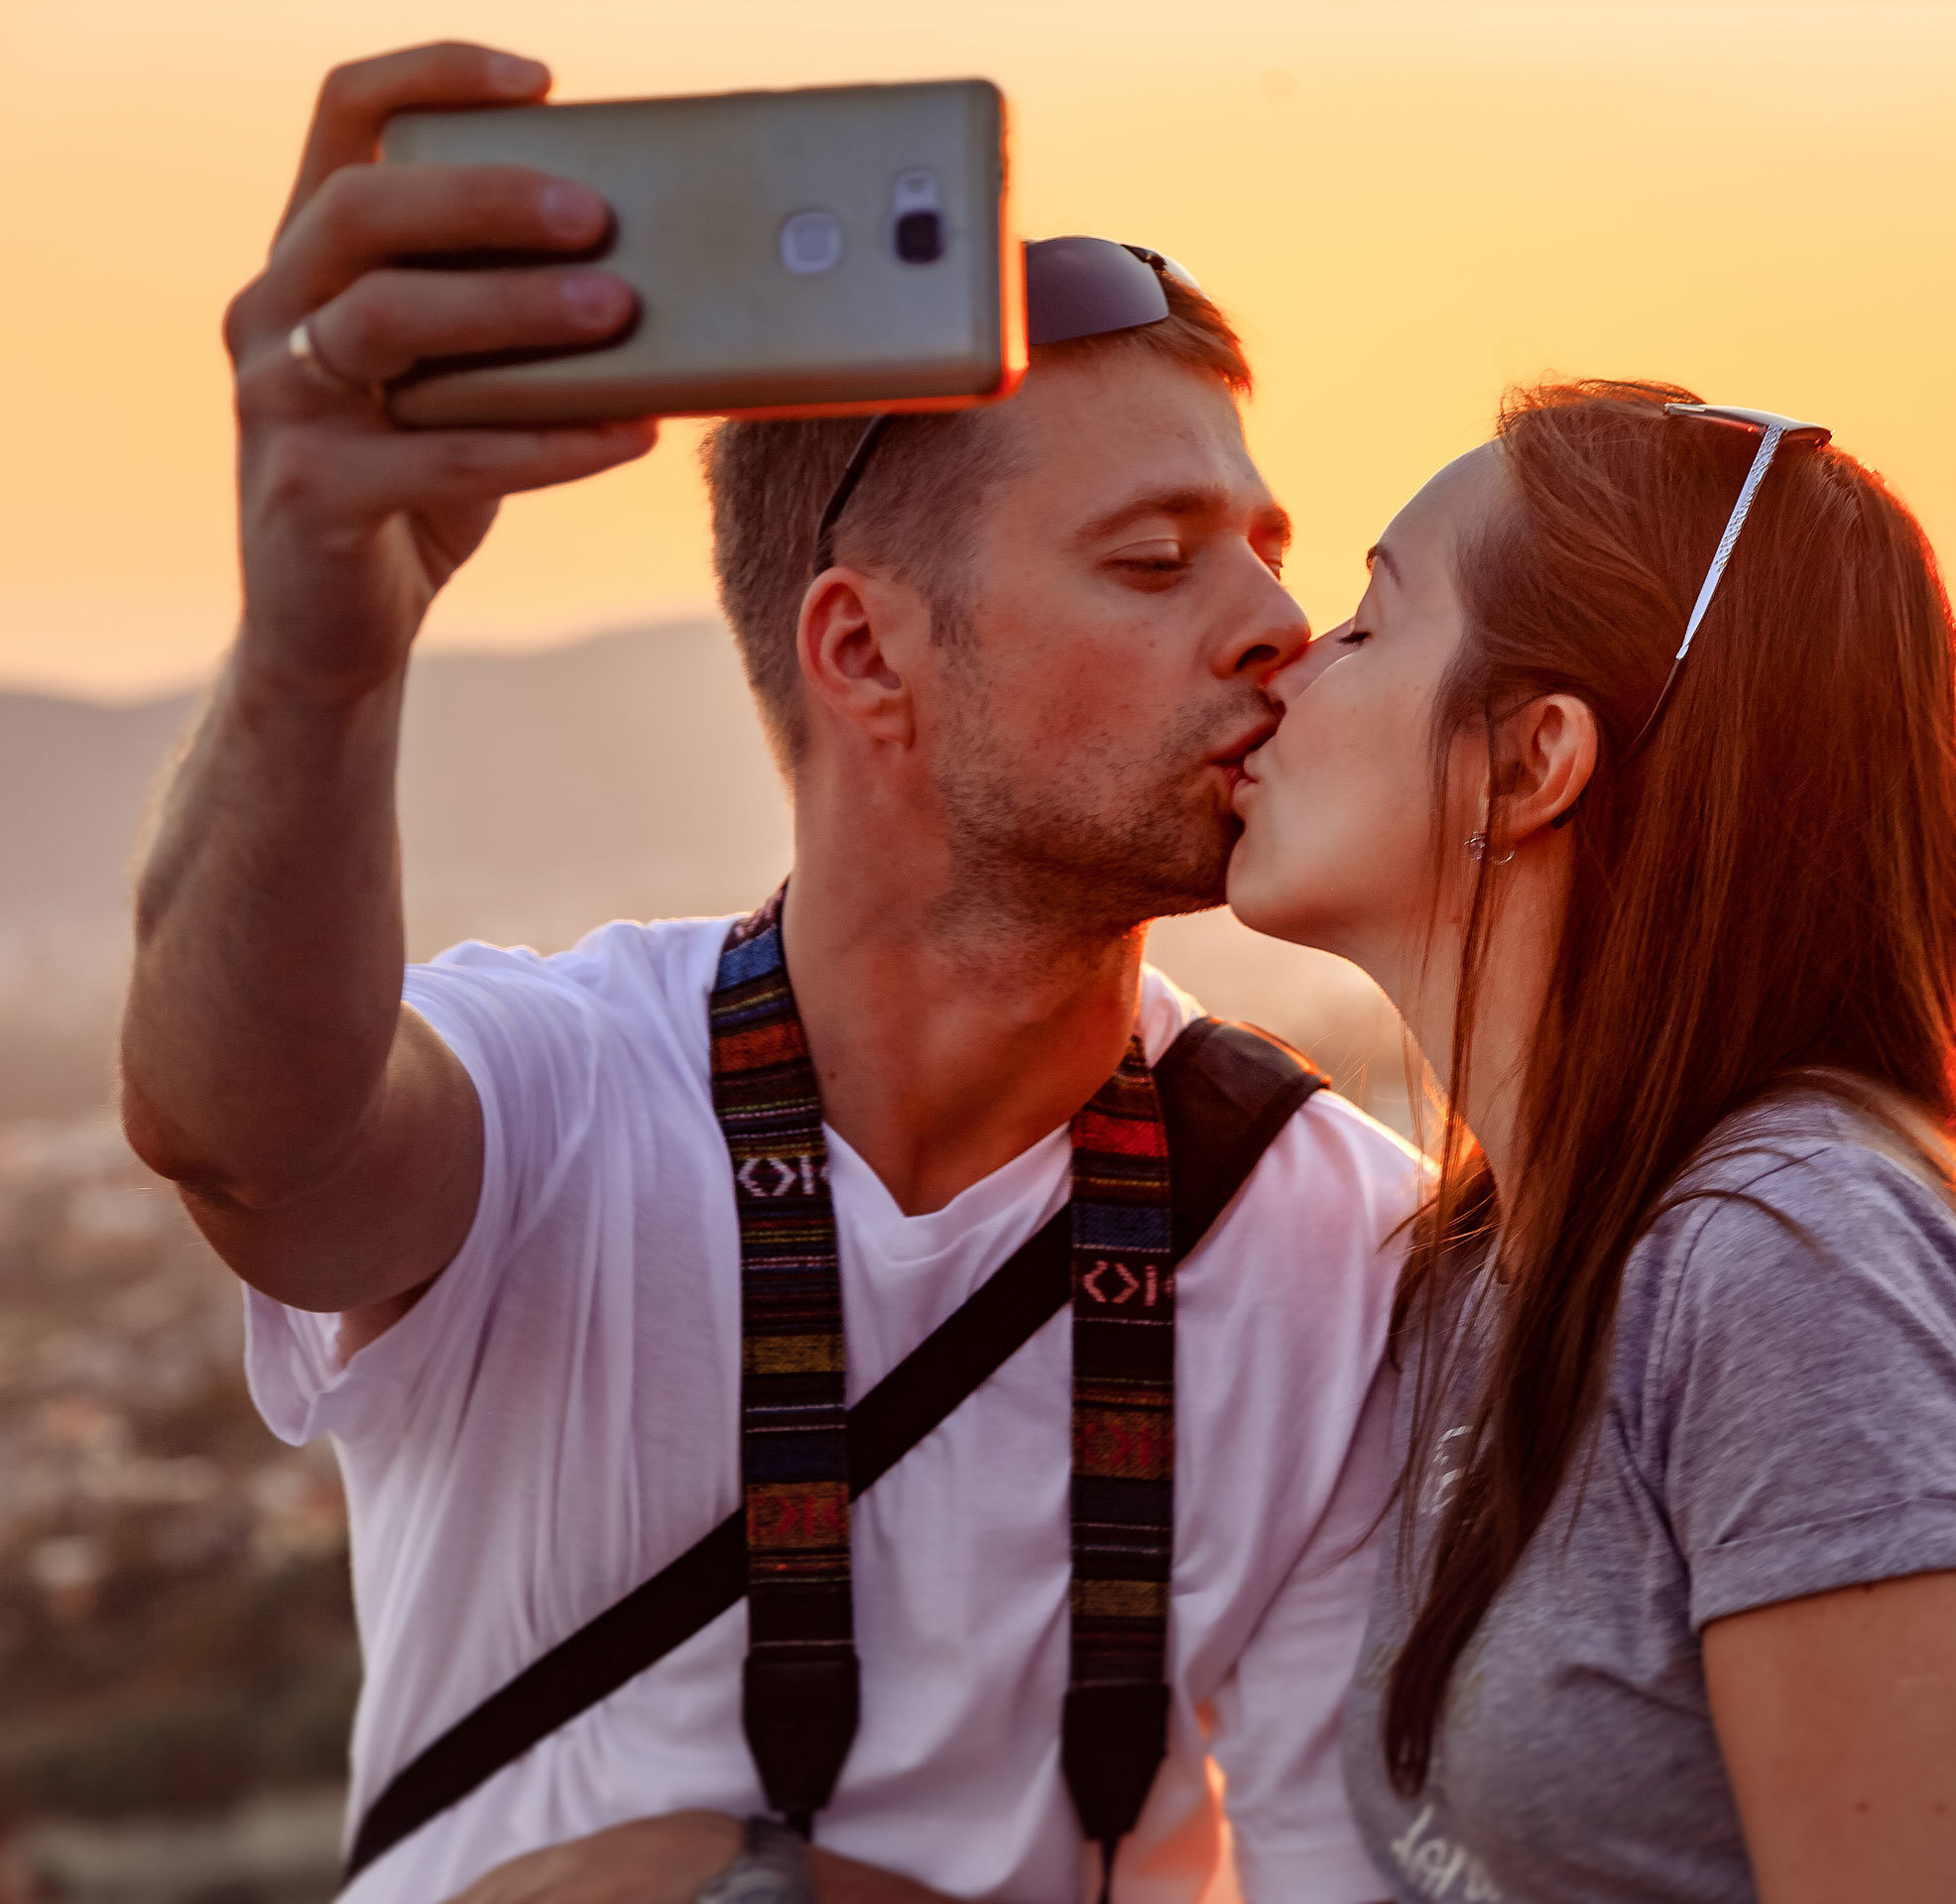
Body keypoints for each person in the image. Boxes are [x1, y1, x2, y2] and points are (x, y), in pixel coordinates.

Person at [120, 42, 1417, 1904]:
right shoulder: (560, 1099)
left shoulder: (1346, 1249)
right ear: (866, 656)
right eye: (1156, 562)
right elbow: (252, 1141)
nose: (1279, 626)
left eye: (1268, 551)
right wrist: (318, 651)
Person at [1225, 379, 1956, 1903]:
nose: (1284, 666)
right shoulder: (1490, 1266)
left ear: (1531, 761)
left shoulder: (1791, 1270)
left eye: (1368, 625)